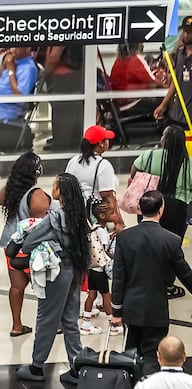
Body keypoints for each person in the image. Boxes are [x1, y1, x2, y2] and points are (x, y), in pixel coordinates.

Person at [15, 173, 89, 386]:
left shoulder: (54, 218)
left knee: (46, 317)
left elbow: (28, 244)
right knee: (69, 319)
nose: (52, 188)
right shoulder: (78, 216)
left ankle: (37, 366)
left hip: (55, 272)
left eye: (55, 185)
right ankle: (76, 367)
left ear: (61, 192)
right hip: (75, 269)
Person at [111, 190, 192, 376]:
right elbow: (185, 274)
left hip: (131, 309)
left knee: (131, 355)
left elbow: (119, 277)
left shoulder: (125, 238)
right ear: (161, 209)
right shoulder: (171, 240)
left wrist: (116, 311)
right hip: (156, 310)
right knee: (152, 356)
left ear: (140, 209)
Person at [129, 125, 192, 299]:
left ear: (164, 139)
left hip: (150, 204)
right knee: (171, 247)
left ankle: (144, 279)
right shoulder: (189, 164)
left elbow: (134, 172)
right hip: (177, 209)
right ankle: (166, 285)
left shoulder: (149, 156)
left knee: (147, 243)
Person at [0, 151, 51, 337]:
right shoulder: (37, 195)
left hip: (11, 244)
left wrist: (13, 180)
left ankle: (16, 325)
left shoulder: (12, 190)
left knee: (17, 286)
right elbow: (43, 221)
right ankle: (53, 324)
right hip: (31, 246)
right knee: (46, 285)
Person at [65, 125, 125, 231]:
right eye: (106, 140)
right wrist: (119, 222)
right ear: (101, 143)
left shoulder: (73, 161)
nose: (108, 142)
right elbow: (108, 197)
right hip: (94, 217)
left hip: (72, 213)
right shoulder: (103, 165)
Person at [80, 199, 123, 336]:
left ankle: (86, 324)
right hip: (100, 269)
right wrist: (115, 256)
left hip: (92, 268)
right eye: (111, 212)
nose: (114, 215)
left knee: (91, 294)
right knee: (106, 296)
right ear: (103, 216)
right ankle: (113, 324)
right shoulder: (102, 232)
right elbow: (102, 251)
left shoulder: (96, 227)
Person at [44, 45, 84, 151]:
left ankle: (60, 152)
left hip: (65, 80)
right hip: (76, 78)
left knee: (63, 122)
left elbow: (54, 58)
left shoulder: (63, 33)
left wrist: (45, 73)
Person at [154, 16, 192, 128]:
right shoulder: (179, 54)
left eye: (189, 32)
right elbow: (175, 83)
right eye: (184, 31)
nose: (185, 35)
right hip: (177, 115)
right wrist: (163, 105)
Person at [110, 43, 165, 117]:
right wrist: (168, 88)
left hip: (119, 105)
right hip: (128, 106)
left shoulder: (118, 60)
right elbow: (153, 82)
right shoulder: (135, 59)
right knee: (164, 102)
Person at [0, 47, 38, 122]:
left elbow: (20, 97)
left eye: (16, 47)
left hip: (4, 109)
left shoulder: (28, 68)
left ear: (27, 49)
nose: (11, 50)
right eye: (11, 47)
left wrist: (11, 71)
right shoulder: (13, 62)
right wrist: (5, 65)